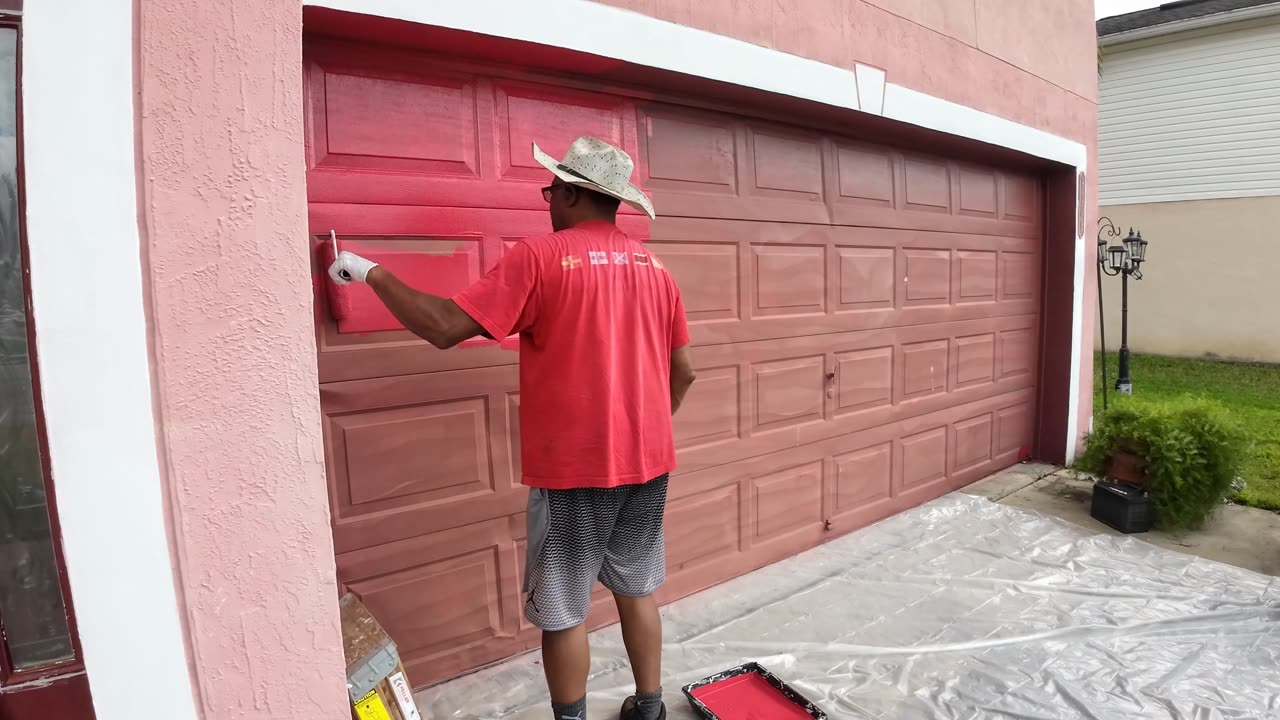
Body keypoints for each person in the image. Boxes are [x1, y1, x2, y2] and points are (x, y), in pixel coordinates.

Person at [329, 136, 696, 720]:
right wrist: (642, 430)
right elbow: (684, 372)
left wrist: (367, 271)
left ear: (574, 195)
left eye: (552, 191)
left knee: (563, 608)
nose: (547, 201)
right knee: (636, 584)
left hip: (573, 471)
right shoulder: (656, 270)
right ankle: (649, 708)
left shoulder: (541, 258)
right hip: (649, 464)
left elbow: (445, 325)